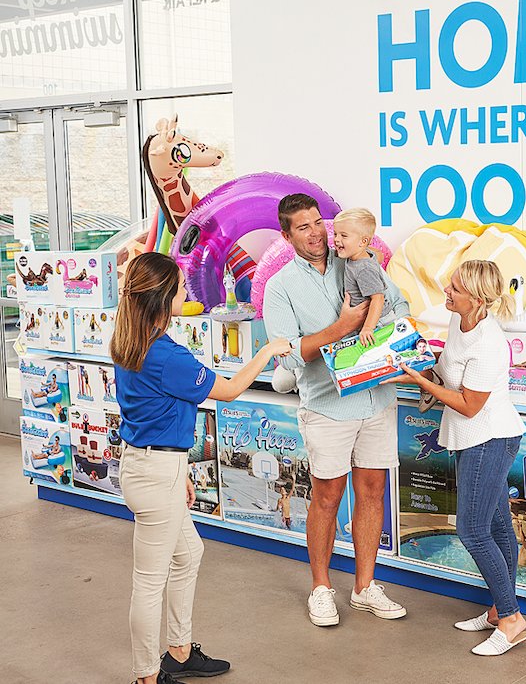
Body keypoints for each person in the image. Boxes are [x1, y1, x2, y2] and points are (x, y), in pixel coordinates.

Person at [112, 252, 290, 684]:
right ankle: (146, 676)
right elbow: (228, 390)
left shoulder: (131, 340)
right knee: (149, 581)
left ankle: (178, 651)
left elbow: (161, 414)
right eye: (179, 287)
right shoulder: (166, 356)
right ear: (162, 297)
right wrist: (267, 350)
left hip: (152, 465)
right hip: (157, 473)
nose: (186, 293)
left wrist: (183, 473)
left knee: (189, 552)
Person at [263, 194, 408, 627]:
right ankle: (321, 588)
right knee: (327, 497)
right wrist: (343, 327)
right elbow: (289, 355)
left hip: (377, 398)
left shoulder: (357, 260)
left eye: (317, 223)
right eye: (303, 227)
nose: (315, 234)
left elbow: (399, 306)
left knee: (373, 491)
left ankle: (365, 587)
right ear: (286, 236)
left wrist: (379, 329)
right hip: (327, 407)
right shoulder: (280, 287)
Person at [386, 260, 526, 656]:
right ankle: (500, 610)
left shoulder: (489, 342)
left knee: (472, 531)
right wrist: (421, 369)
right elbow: (448, 374)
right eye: (449, 284)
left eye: (455, 289)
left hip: (490, 438)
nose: (446, 292)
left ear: (477, 299)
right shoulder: (458, 321)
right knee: (497, 526)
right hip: (473, 439)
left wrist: (420, 381)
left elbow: (469, 404)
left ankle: (513, 620)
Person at [333, 208, 394, 345]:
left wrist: (368, 328)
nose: (336, 239)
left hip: (378, 322)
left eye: (344, 236)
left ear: (363, 241)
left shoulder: (363, 268)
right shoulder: (361, 253)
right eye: (335, 234)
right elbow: (378, 255)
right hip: (369, 320)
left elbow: (378, 298)